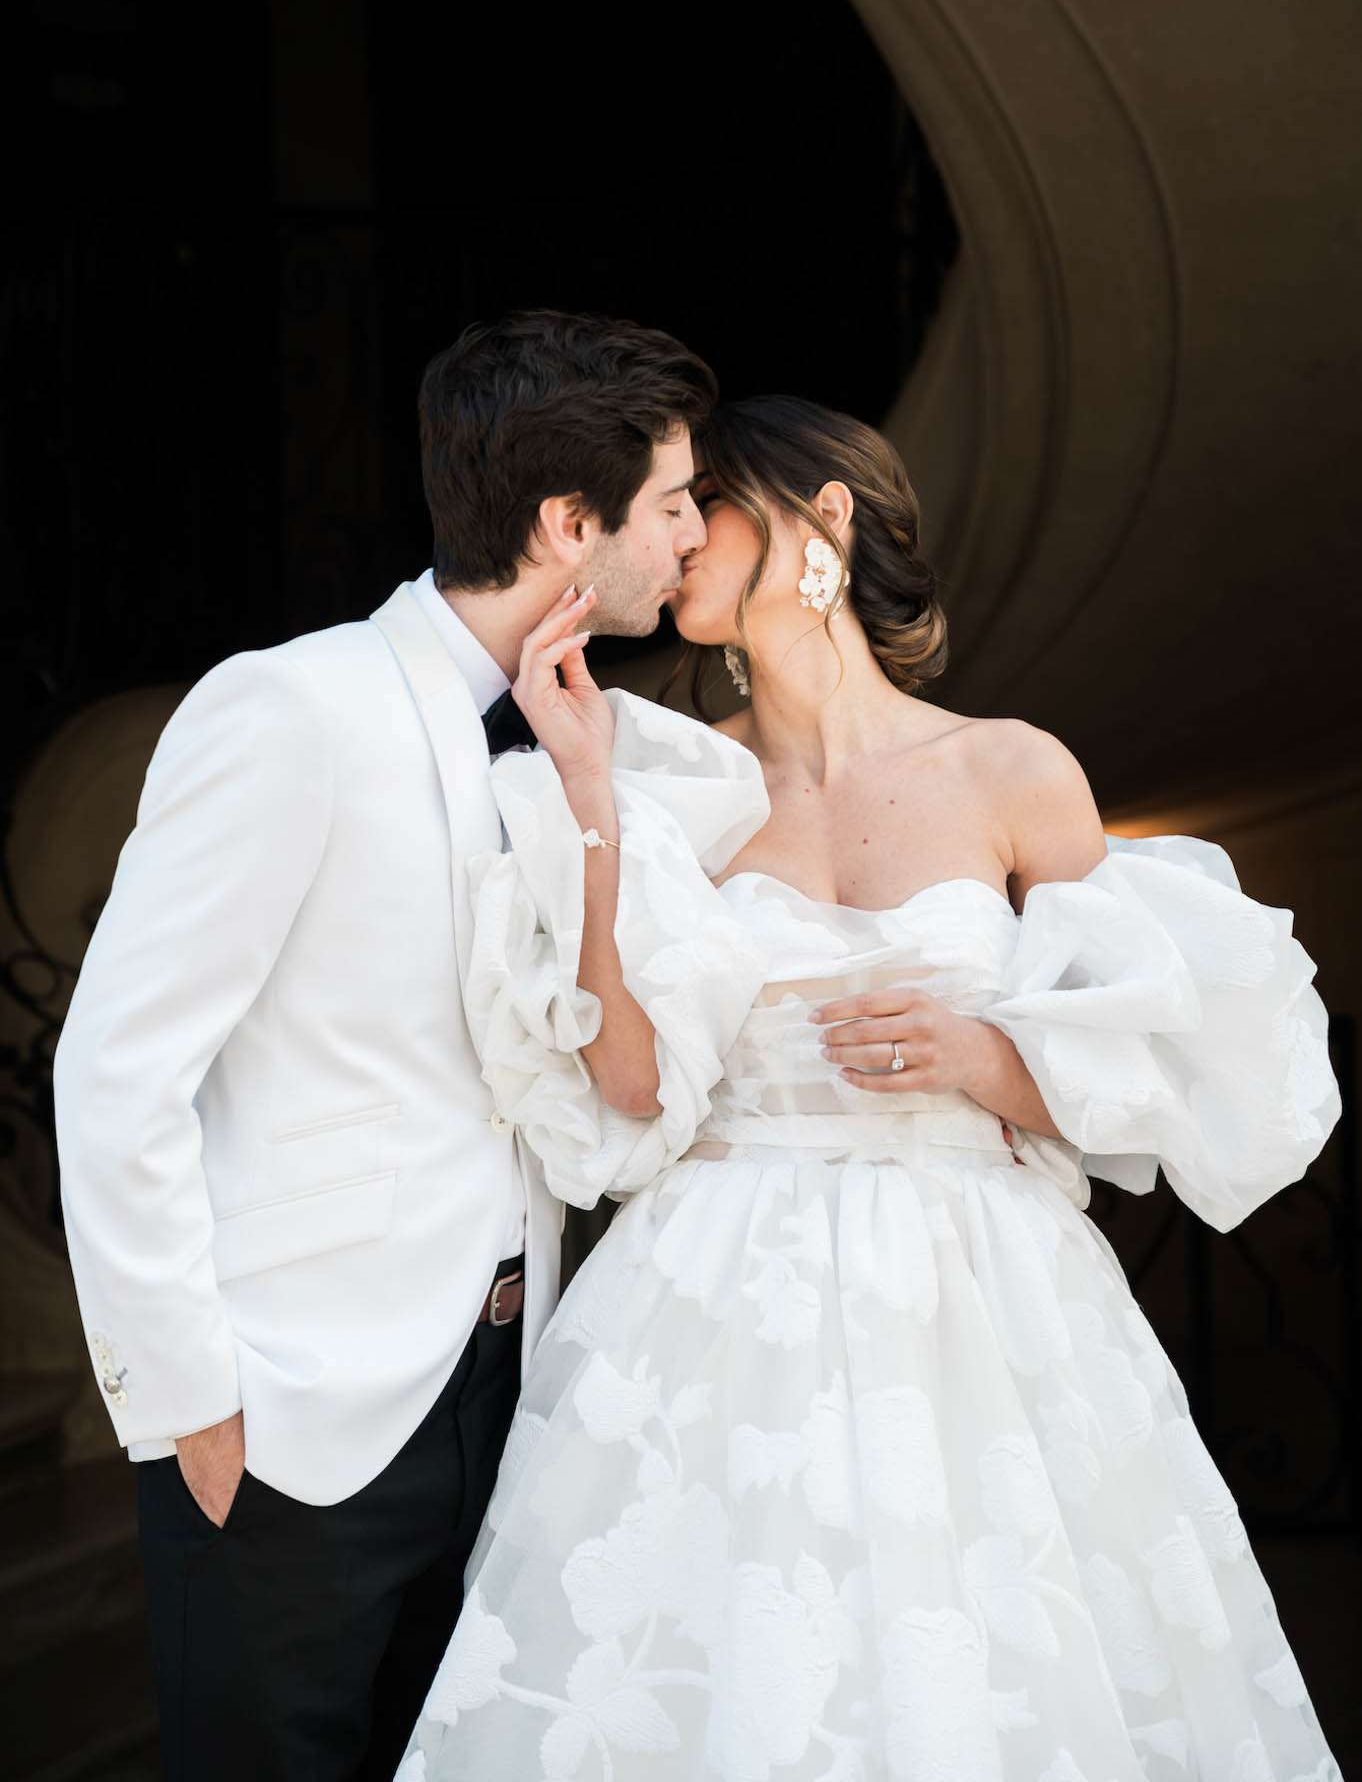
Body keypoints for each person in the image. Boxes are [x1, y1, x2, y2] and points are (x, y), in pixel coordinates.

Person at [399, 395, 1342, 1780]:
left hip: (981, 1305)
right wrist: (592, 805)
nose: (671, 534)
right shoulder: (671, 782)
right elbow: (627, 1080)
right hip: (716, 1302)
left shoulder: (1012, 768)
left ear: (821, 518)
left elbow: (1154, 1063)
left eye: (698, 499)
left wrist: (985, 1059)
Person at [52, 308, 717, 1781]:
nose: (693, 532)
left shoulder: (576, 732)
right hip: (290, 1424)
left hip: (504, 1397)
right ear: (567, 521)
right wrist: (193, 1407)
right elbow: (117, 1071)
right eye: (671, 501)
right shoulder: (288, 708)